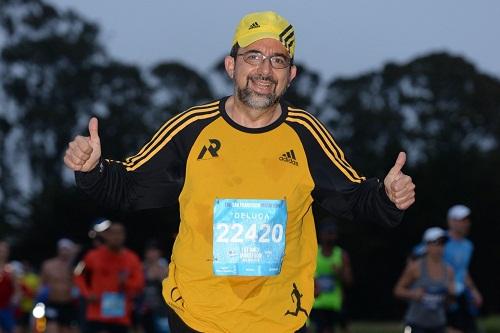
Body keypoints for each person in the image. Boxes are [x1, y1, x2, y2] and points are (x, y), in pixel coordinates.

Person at [63, 11, 416, 333]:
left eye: (277, 60)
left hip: (278, 319)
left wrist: (388, 197)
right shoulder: (192, 129)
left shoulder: (305, 133)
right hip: (198, 317)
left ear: (290, 75)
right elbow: (129, 187)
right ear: (231, 66)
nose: (265, 70)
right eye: (254, 57)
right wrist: (93, 169)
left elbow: (354, 198)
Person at [74, 221, 144, 333]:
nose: (116, 237)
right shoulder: (91, 256)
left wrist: (126, 282)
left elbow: (139, 283)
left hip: (120, 316)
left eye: (119, 233)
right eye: (113, 233)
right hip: (96, 314)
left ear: (124, 236)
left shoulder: (133, 259)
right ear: (106, 236)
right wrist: (87, 293)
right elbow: (78, 274)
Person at [394, 227, 454, 333]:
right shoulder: (415, 267)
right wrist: (412, 294)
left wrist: (451, 295)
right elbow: (398, 290)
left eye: (443, 243)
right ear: (427, 245)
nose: (440, 247)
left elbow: (448, 303)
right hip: (415, 324)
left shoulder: (449, 271)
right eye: (437, 243)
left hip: (438, 325)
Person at [444, 205, 482, 333]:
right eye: (461, 220)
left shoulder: (468, 246)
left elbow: (463, 271)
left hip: (461, 296)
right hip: (442, 296)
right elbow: (417, 260)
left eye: (467, 220)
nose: (466, 224)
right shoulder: (439, 241)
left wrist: (474, 290)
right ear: (451, 221)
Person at [310, 222, 352, 333]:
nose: (329, 237)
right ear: (321, 235)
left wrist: (340, 273)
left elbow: (349, 281)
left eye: (332, 233)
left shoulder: (341, 255)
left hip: (335, 303)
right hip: (317, 302)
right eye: (327, 233)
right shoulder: (314, 253)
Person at [40, 238, 81, 333]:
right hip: (53, 303)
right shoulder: (48, 265)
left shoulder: (75, 266)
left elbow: (79, 278)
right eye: (63, 249)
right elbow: (42, 284)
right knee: (52, 329)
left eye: (67, 249)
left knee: (67, 329)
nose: (64, 252)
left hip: (69, 304)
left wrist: (75, 257)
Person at [0, 240, 17, 333]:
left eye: (4, 250)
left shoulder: (11, 270)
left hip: (6, 308)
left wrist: (15, 298)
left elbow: (17, 290)